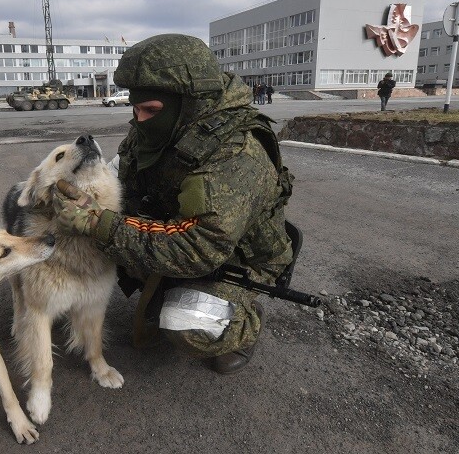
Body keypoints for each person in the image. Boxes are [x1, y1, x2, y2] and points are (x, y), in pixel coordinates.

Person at [52, 33, 295, 375]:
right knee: (83, 245)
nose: (138, 119)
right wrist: (85, 200)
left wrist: (97, 223)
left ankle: (242, 323)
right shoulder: (158, 128)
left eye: (149, 109)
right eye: (135, 108)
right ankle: (163, 285)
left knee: (185, 322)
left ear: (190, 102)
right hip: (171, 230)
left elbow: (198, 247)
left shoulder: (237, 154)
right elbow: (122, 176)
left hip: (237, 257)